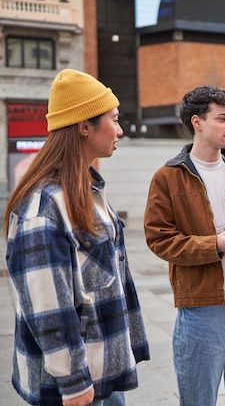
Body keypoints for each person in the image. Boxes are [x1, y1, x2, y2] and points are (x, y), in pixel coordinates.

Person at [4, 69, 150, 406]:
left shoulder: (87, 189)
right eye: (113, 119)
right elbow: (46, 305)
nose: (121, 129)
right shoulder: (44, 205)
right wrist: (73, 383)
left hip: (102, 374)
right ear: (84, 126)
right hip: (74, 387)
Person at [143, 85, 225, 406]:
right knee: (198, 397)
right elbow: (159, 239)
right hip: (200, 305)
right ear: (197, 122)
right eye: (223, 118)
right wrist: (214, 244)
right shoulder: (168, 176)